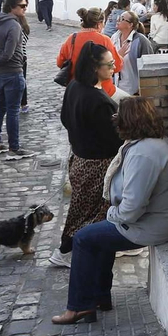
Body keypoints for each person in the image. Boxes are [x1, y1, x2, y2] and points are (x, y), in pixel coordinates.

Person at [51, 96, 168, 323]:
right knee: (98, 237)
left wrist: (111, 214)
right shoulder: (150, 144)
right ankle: (99, 298)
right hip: (149, 221)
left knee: (82, 238)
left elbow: (132, 208)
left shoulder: (144, 153)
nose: (115, 121)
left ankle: (79, 306)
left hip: (148, 226)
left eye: (117, 116)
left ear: (129, 120)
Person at [57, 42, 121, 268]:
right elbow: (113, 137)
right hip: (96, 165)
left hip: (79, 159)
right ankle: (67, 250)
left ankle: (74, 249)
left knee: (81, 211)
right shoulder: (98, 100)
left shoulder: (74, 86)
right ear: (95, 67)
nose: (114, 67)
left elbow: (65, 118)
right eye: (110, 64)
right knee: (88, 214)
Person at [0, 0, 35, 160]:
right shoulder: (14, 25)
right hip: (12, 72)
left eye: (26, 6)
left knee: (1, 106)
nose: (25, 9)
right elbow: (8, 54)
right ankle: (14, 148)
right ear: (12, 6)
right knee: (12, 110)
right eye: (22, 6)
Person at [56, 7, 122, 96]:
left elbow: (60, 63)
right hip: (102, 91)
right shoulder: (105, 40)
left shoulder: (72, 39)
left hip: (76, 89)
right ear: (99, 24)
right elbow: (117, 66)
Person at [112, 11, 156, 96]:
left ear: (130, 25)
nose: (118, 20)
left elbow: (148, 66)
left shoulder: (141, 41)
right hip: (116, 88)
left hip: (133, 91)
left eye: (122, 19)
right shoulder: (114, 37)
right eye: (119, 17)